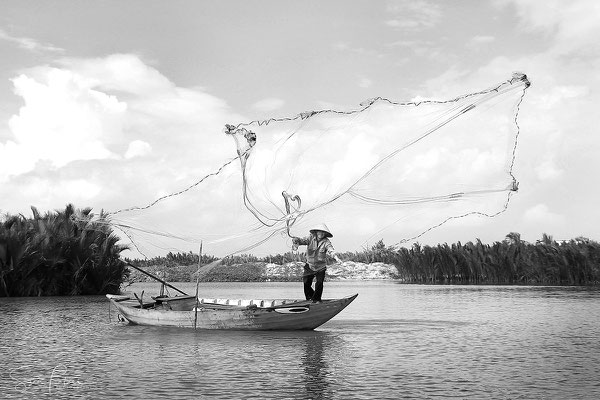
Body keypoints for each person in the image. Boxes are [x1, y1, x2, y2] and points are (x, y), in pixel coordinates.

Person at [292, 223, 341, 303]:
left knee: (319, 283)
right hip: (309, 265)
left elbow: (331, 250)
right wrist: (296, 240)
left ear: (325, 234)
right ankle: (310, 298)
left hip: (320, 267)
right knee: (306, 283)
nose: (321, 234)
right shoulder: (310, 238)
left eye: (322, 233)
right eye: (319, 232)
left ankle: (317, 299)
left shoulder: (326, 242)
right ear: (316, 232)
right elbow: (301, 241)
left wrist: (336, 258)